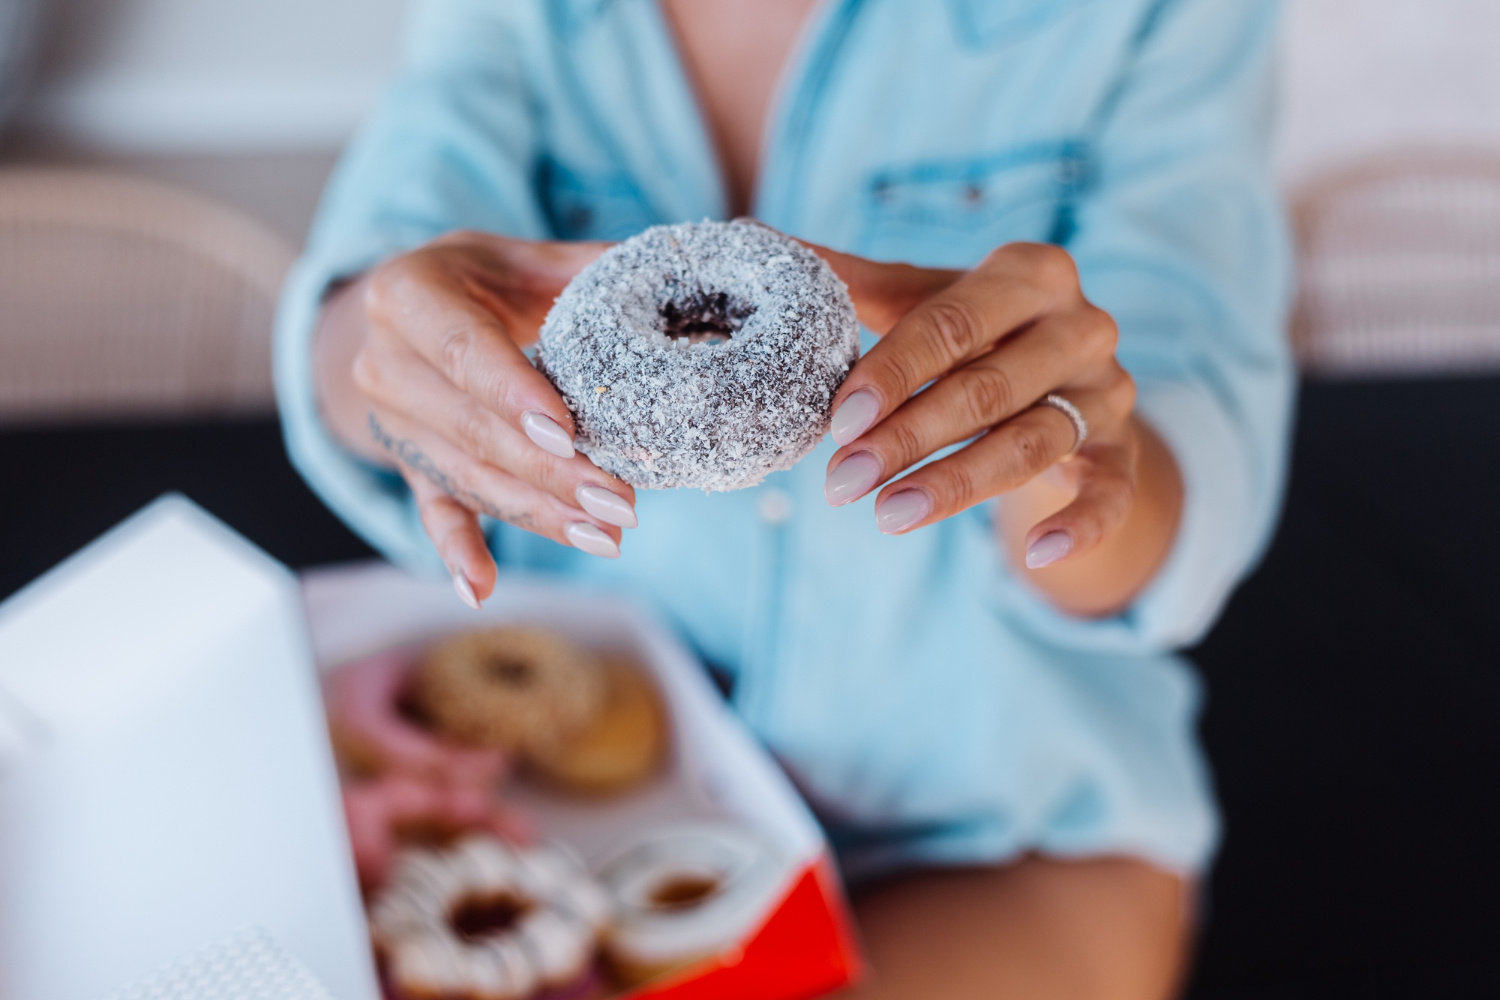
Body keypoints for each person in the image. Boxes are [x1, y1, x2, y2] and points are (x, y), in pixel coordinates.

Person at [275, 1, 1293, 996]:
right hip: (564, 805)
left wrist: (1060, 446)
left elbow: (1179, 510)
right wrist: (392, 354)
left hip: (996, 830)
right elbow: (373, 294)